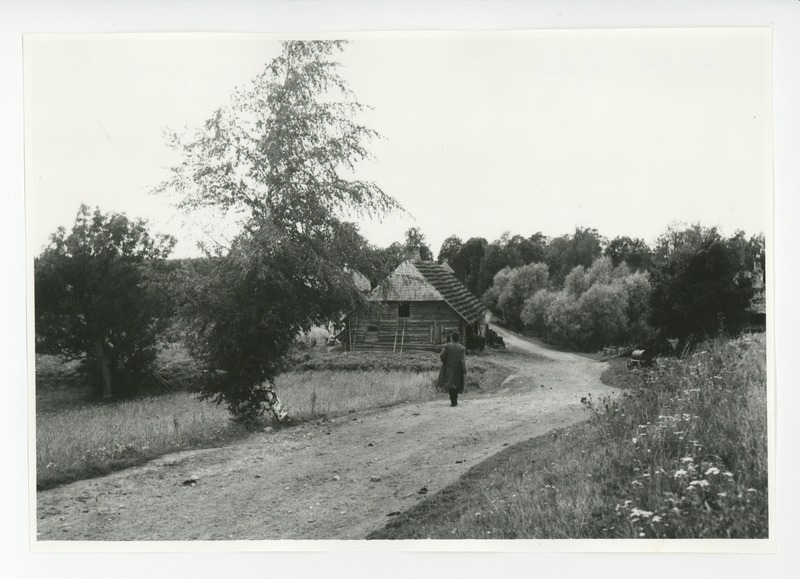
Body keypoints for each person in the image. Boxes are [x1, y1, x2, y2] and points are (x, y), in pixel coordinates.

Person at [438, 331, 467, 406]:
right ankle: (455, 399)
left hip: (449, 367)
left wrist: (444, 360)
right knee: (456, 383)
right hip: (458, 369)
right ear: (458, 338)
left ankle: (453, 400)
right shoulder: (462, 348)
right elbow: (462, 360)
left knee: (450, 383)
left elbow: (441, 355)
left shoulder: (447, 346)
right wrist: (464, 369)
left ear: (451, 338)